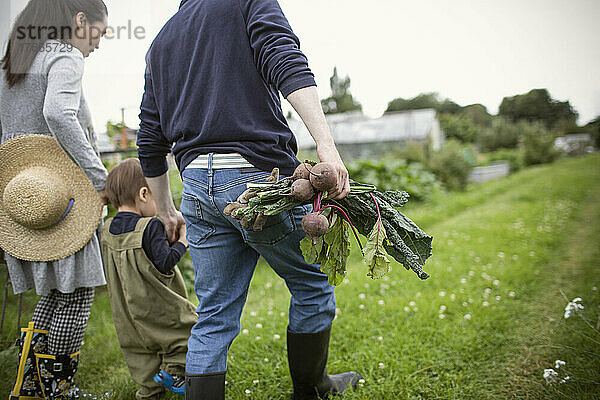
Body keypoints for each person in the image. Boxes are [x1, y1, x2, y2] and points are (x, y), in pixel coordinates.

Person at [136, 0, 361, 398]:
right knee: (311, 283)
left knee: (214, 315)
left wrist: (167, 210)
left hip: (197, 187)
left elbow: (150, 139)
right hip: (256, 176)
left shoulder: (161, 40)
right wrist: (326, 146)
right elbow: (285, 59)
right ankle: (312, 389)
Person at [0, 0, 110, 398]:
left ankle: (33, 386)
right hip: (62, 197)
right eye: (97, 34)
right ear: (80, 21)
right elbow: (59, 114)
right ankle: (56, 388)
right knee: (78, 296)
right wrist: (100, 178)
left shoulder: (13, 61)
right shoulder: (63, 57)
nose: (96, 45)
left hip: (24, 197)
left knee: (55, 294)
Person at [100, 158, 198, 400]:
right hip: (155, 304)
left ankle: (148, 392)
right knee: (187, 329)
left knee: (138, 352)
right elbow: (165, 262)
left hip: (126, 310)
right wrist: (183, 242)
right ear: (144, 194)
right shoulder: (149, 226)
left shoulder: (106, 228)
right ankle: (173, 371)